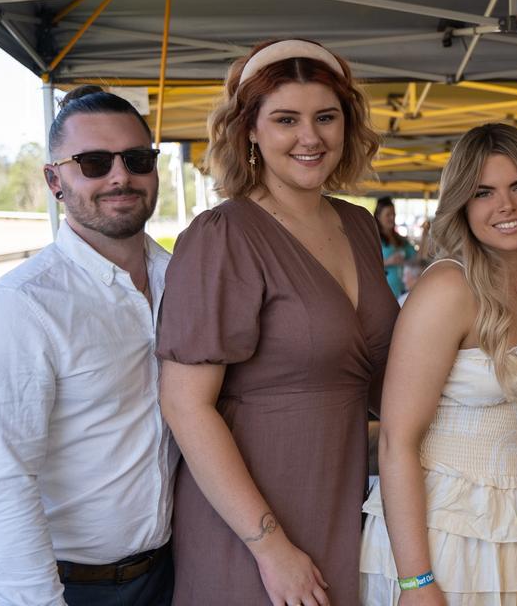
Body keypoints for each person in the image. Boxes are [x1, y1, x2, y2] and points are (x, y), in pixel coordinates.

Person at [156, 39, 397, 606]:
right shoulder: (225, 234)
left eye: (326, 118)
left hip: (342, 497)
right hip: (250, 521)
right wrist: (268, 545)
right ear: (251, 132)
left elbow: (385, 378)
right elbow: (185, 405)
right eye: (286, 119)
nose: (310, 137)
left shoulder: (360, 226)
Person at [0, 85, 173, 605]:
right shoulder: (19, 307)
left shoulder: (182, 282)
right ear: (55, 179)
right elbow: (2, 488)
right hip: (57, 587)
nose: (120, 175)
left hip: (162, 577)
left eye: (137, 158)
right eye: (93, 162)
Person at [360, 123, 517, 604]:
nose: (507, 206)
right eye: (483, 192)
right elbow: (396, 441)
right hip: (443, 530)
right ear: (461, 205)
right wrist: (416, 581)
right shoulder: (447, 289)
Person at [376, 196, 418, 298]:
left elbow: (416, 257)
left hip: (403, 292)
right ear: (378, 216)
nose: (392, 218)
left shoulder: (400, 239)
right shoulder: (374, 239)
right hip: (384, 293)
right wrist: (388, 262)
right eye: (388, 215)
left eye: (394, 214)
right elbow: (366, 265)